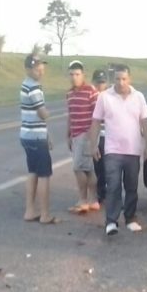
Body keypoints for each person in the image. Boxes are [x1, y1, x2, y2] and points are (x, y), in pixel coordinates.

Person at [87, 64, 147, 235]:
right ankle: (111, 221)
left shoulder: (138, 97)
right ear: (112, 79)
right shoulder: (104, 97)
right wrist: (93, 145)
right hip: (112, 150)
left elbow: (145, 121)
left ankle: (130, 218)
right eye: (117, 79)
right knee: (113, 185)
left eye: (124, 79)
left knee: (131, 186)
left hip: (133, 150)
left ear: (129, 79)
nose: (120, 82)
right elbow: (95, 122)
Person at [19, 52, 57, 224]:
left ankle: (30, 210)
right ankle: (45, 214)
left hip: (28, 135)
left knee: (33, 172)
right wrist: (49, 115)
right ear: (28, 69)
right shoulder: (33, 87)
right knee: (44, 175)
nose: (40, 71)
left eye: (41, 68)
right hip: (35, 136)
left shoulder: (27, 85)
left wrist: (46, 134)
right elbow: (42, 112)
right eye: (36, 68)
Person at [65, 60, 99, 213]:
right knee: (88, 169)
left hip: (86, 134)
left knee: (78, 167)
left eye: (77, 74)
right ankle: (93, 200)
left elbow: (97, 116)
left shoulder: (90, 91)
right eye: (71, 74)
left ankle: (83, 200)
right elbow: (70, 116)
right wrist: (68, 134)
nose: (74, 77)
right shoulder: (70, 94)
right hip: (76, 134)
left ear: (83, 75)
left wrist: (92, 139)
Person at [91, 69, 109, 204]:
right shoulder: (92, 97)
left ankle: (107, 192)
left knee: (109, 167)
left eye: (103, 83)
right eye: (98, 82)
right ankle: (100, 192)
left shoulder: (110, 96)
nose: (100, 85)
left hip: (109, 136)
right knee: (98, 167)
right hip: (98, 136)